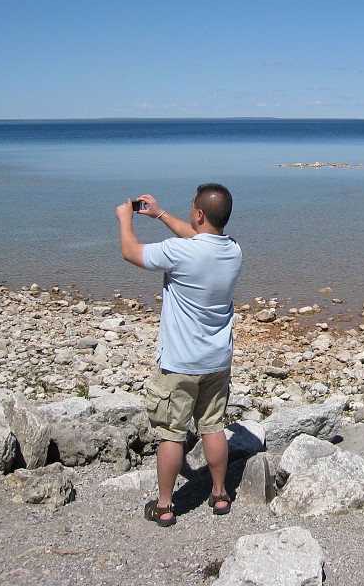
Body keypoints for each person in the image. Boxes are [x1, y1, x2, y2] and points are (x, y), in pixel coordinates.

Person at [115, 183, 243, 526]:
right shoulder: (233, 250)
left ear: (199, 213)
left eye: (191, 209)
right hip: (217, 360)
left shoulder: (179, 253)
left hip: (180, 363)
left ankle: (166, 505)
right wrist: (159, 214)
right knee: (213, 427)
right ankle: (219, 495)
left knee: (172, 433)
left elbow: (131, 252)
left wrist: (126, 219)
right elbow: (199, 237)